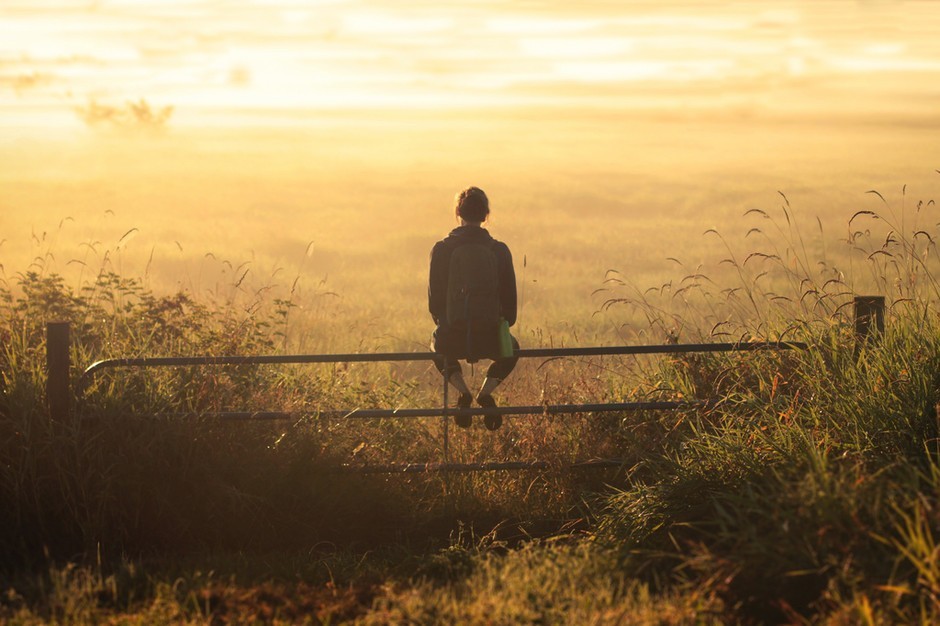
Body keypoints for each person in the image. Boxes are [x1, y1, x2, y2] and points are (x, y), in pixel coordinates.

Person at [429, 186, 519, 430]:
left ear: (458, 212)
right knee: (514, 349)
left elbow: (434, 304)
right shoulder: (499, 250)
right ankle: (485, 393)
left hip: (453, 338)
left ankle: (463, 392)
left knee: (436, 345)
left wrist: (451, 324)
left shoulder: (442, 250)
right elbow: (511, 310)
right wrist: (495, 323)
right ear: (486, 214)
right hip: (491, 337)